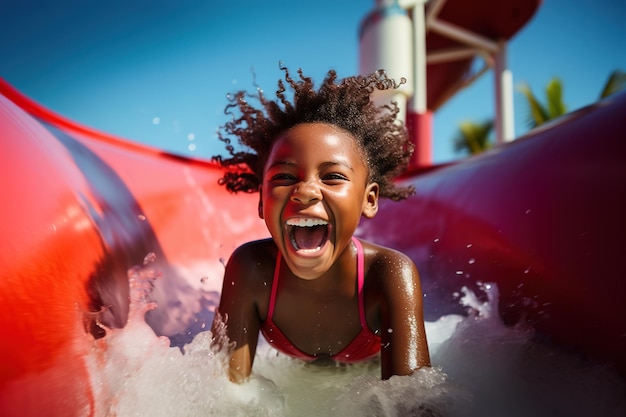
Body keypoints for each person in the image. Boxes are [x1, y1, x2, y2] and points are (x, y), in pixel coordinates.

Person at [211, 65, 430, 383]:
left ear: (369, 200)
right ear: (261, 201)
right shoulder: (251, 269)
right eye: (284, 177)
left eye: (332, 176)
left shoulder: (388, 274)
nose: (305, 191)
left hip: (366, 376)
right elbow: (222, 393)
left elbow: (415, 402)